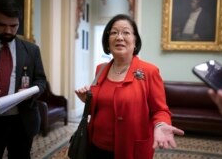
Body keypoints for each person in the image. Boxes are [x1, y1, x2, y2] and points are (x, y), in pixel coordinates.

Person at [75, 14, 184, 159]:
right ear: (108, 42)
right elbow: (102, 107)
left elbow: (160, 110)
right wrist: (87, 100)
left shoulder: (149, 71)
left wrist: (160, 125)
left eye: (126, 32)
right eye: (114, 32)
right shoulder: (100, 69)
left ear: (135, 41)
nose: (119, 37)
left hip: (130, 149)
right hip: (96, 146)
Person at [0, 0, 46, 159]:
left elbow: (41, 80)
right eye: (1, 25)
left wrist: (31, 92)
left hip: (22, 120)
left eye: (13, 26)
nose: (8, 31)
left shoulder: (31, 50)